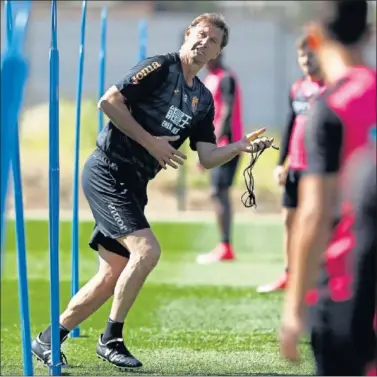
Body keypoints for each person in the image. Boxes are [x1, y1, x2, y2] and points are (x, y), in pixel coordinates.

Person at [31, 13, 274, 370]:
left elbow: (206, 157)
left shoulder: (203, 100)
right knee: (146, 251)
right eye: (201, 35)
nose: (204, 43)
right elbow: (109, 101)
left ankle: (49, 339)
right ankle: (111, 338)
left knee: (112, 274)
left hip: (134, 185)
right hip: (107, 171)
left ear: (219, 52)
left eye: (213, 41)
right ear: (189, 32)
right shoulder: (160, 67)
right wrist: (152, 143)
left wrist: (238, 146)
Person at [279, 1, 376, 375]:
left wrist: (293, 307)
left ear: (315, 38)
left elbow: (314, 215)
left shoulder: (331, 107)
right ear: (368, 36)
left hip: (346, 285)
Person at [257, 35, 326, 293]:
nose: (307, 60)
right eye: (302, 56)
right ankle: (289, 273)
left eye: (312, 55)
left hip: (318, 170)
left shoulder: (331, 88)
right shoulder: (297, 87)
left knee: (316, 224)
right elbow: (290, 125)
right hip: (295, 167)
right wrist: (280, 162)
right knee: (289, 219)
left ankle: (316, 276)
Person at [196, 53, 244, 264]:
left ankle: (225, 246)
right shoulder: (210, 78)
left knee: (219, 192)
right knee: (217, 192)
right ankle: (224, 245)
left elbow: (226, 113)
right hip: (218, 145)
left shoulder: (226, 78)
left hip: (228, 144)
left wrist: (212, 145)